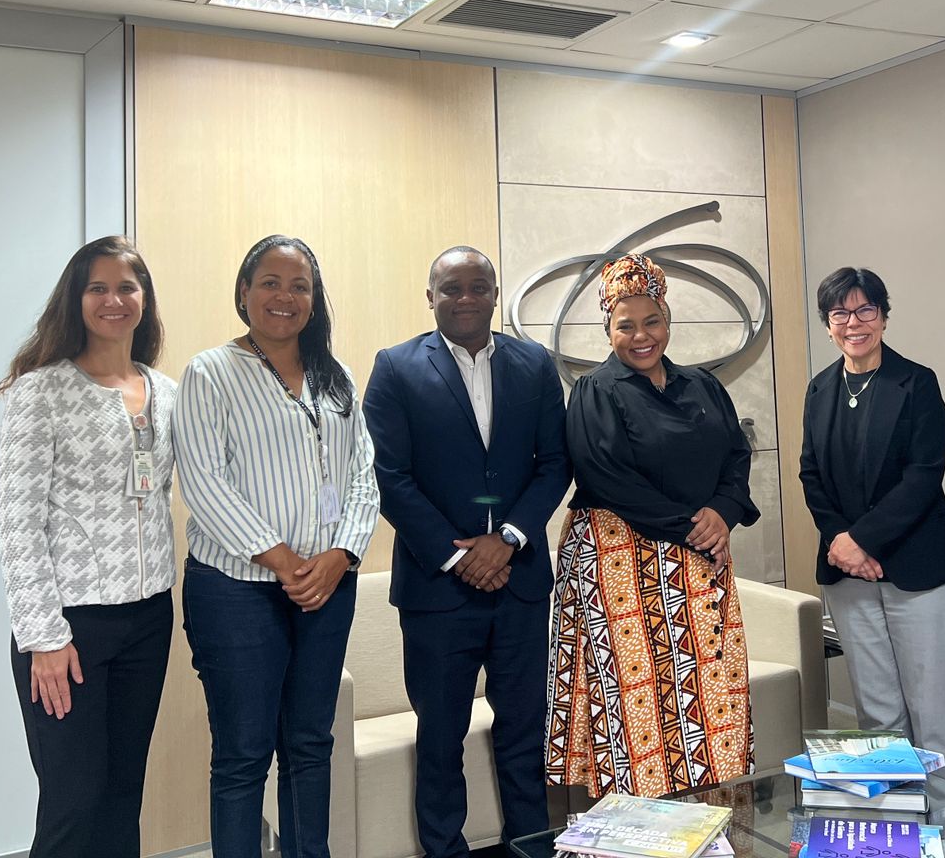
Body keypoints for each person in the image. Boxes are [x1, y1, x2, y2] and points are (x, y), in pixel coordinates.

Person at [174, 235, 379, 858]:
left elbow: (363, 474)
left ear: (314, 300)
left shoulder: (335, 377)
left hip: (327, 586)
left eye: (299, 286)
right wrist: (286, 561)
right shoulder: (210, 372)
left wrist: (341, 555)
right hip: (235, 592)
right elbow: (204, 482)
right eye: (270, 282)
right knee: (243, 755)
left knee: (311, 746)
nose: (284, 297)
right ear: (244, 293)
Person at [364, 246, 570, 858]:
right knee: (440, 736)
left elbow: (555, 463)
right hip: (437, 588)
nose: (466, 299)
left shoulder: (533, 363)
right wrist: (459, 556)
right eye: (451, 288)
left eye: (479, 287)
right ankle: (444, 849)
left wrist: (507, 539)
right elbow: (388, 476)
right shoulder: (396, 367)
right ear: (430, 297)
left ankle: (530, 846)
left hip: (520, 581)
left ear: (495, 295)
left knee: (525, 730)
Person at [548, 252, 760, 798]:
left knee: (710, 695)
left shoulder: (702, 385)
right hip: (621, 565)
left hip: (700, 561)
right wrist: (694, 526)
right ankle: (639, 833)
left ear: (668, 321)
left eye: (652, 322)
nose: (641, 336)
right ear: (608, 329)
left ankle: (716, 822)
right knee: (637, 707)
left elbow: (736, 455)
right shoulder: (596, 390)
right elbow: (606, 476)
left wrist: (724, 512)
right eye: (626, 326)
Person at [0, 236, 177, 858]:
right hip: (69, 628)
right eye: (97, 288)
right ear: (75, 300)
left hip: (148, 620)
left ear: (144, 300)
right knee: (72, 803)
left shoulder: (165, 392)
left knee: (123, 796)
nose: (113, 300)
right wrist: (43, 638)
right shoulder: (40, 392)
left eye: (126, 287)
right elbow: (18, 524)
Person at [798, 267, 945, 844]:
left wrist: (863, 542)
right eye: (841, 314)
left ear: (884, 315)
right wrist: (841, 544)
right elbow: (811, 475)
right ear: (828, 324)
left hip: (919, 573)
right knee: (879, 723)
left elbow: (923, 476)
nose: (854, 323)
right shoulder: (820, 389)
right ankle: (895, 844)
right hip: (849, 578)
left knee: (935, 725)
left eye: (865, 310)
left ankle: (943, 845)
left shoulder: (916, 383)